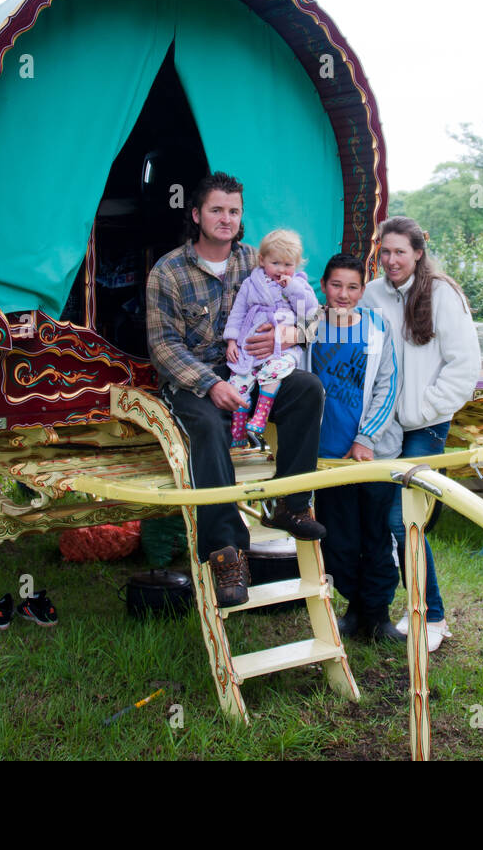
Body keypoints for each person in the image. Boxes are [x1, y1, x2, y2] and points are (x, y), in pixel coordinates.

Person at [145, 172, 326, 609]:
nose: (226, 219)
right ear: (196, 214)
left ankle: (291, 502)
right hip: (195, 382)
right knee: (207, 427)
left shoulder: (261, 260)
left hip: (256, 371)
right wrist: (211, 384)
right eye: (216, 210)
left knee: (307, 388)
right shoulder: (168, 271)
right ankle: (227, 552)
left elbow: (317, 316)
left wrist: (290, 337)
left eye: (234, 211)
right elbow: (162, 346)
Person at [362, 216, 480, 652]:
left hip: (424, 425)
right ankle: (373, 608)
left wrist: (423, 408)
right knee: (376, 516)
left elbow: (463, 366)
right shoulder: (371, 294)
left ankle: (432, 615)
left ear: (417, 253)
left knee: (402, 516)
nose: (391, 260)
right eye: (385, 251)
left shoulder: (441, 294)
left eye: (400, 252)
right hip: (378, 426)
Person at [306, 252, 404, 643]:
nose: (343, 294)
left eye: (352, 287)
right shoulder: (309, 326)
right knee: (339, 537)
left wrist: (367, 438)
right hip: (328, 456)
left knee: (377, 535)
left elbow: (389, 384)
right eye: (336, 285)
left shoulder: (377, 326)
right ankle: (353, 608)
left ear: (363, 290)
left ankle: (378, 615)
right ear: (323, 287)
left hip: (372, 454)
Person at [223, 229, 319, 446]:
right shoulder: (251, 283)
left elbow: (311, 312)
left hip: (282, 349)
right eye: (276, 263)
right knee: (238, 380)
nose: (281, 270)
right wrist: (231, 341)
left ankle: (260, 416)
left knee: (273, 373)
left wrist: (292, 288)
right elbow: (237, 313)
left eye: (288, 265)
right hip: (249, 344)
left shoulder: (299, 286)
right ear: (262, 260)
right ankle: (237, 430)